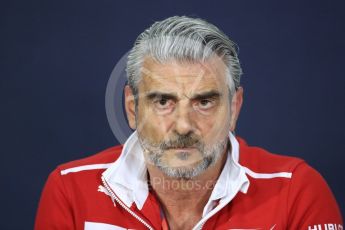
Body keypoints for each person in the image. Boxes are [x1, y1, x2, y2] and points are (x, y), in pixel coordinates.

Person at [35, 16, 343, 230]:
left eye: (204, 102)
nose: (183, 126)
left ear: (234, 108)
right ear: (132, 109)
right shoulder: (70, 189)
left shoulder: (296, 189)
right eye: (163, 101)